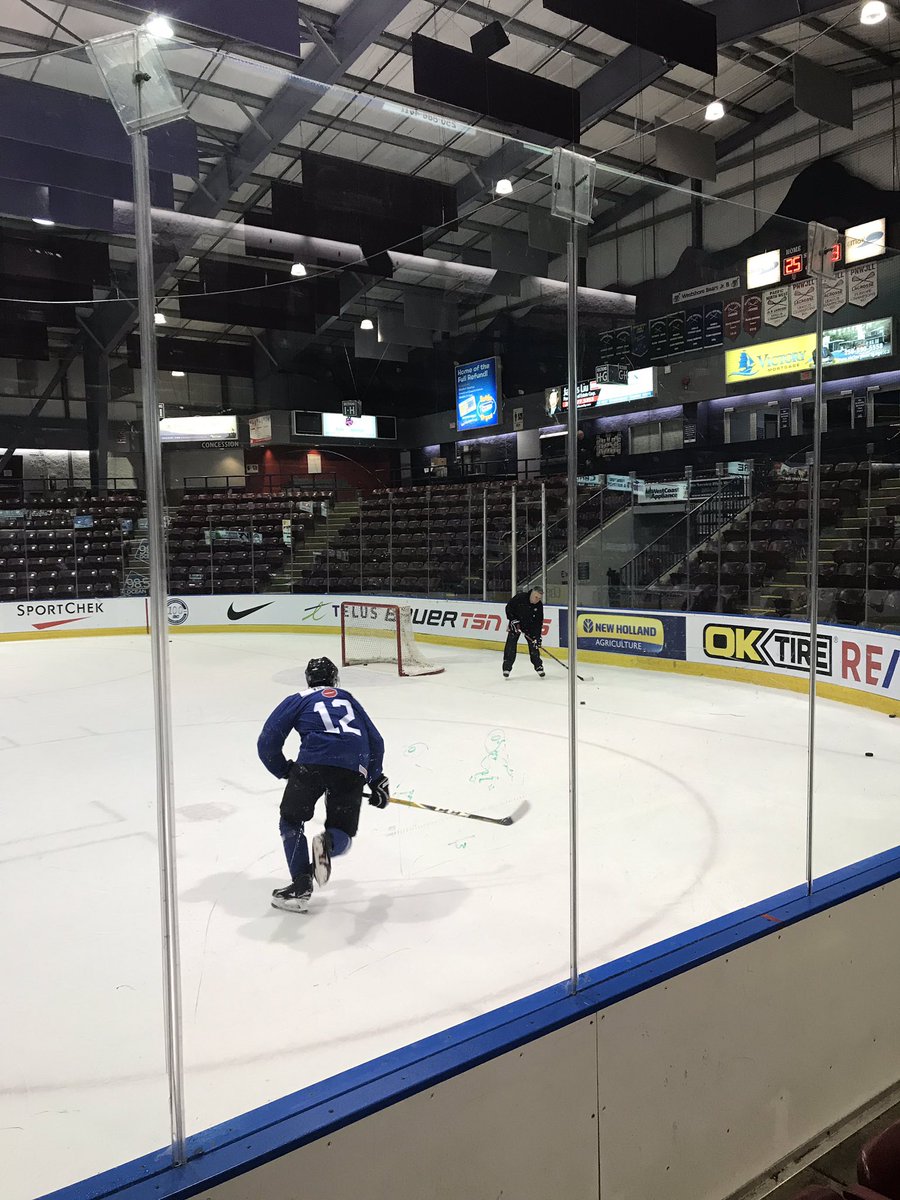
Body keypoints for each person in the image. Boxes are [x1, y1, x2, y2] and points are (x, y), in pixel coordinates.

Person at [257, 656, 390, 913]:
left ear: (308, 679)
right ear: (335, 678)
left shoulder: (298, 699)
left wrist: (285, 770)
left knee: (291, 820)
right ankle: (327, 843)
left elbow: (267, 741)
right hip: (354, 767)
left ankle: (301, 884)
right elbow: (376, 740)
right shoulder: (347, 698)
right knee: (342, 833)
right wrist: (376, 779)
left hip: (312, 764)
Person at [503, 586, 545, 679]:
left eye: (539, 598)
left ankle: (538, 665)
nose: (537, 600)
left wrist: (537, 637)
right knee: (511, 645)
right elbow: (509, 608)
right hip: (516, 624)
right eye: (536, 597)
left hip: (529, 627)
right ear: (532, 594)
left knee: (534, 645)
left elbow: (538, 622)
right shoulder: (520, 597)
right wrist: (513, 620)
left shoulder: (539, 605)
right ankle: (507, 667)